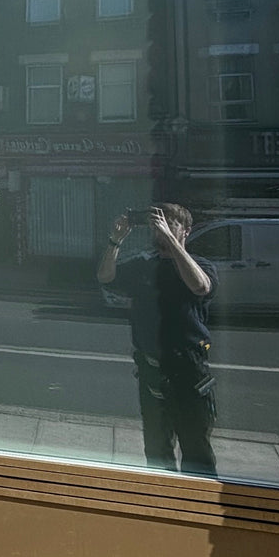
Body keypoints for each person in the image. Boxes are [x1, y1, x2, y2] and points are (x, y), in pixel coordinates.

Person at [96, 203, 219, 477]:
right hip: (152, 370)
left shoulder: (200, 266)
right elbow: (105, 277)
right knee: (156, 451)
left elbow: (200, 286)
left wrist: (174, 245)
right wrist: (115, 241)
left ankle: (199, 508)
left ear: (186, 231)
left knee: (196, 450)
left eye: (169, 223)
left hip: (189, 370)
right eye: (156, 224)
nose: (160, 229)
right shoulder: (143, 264)